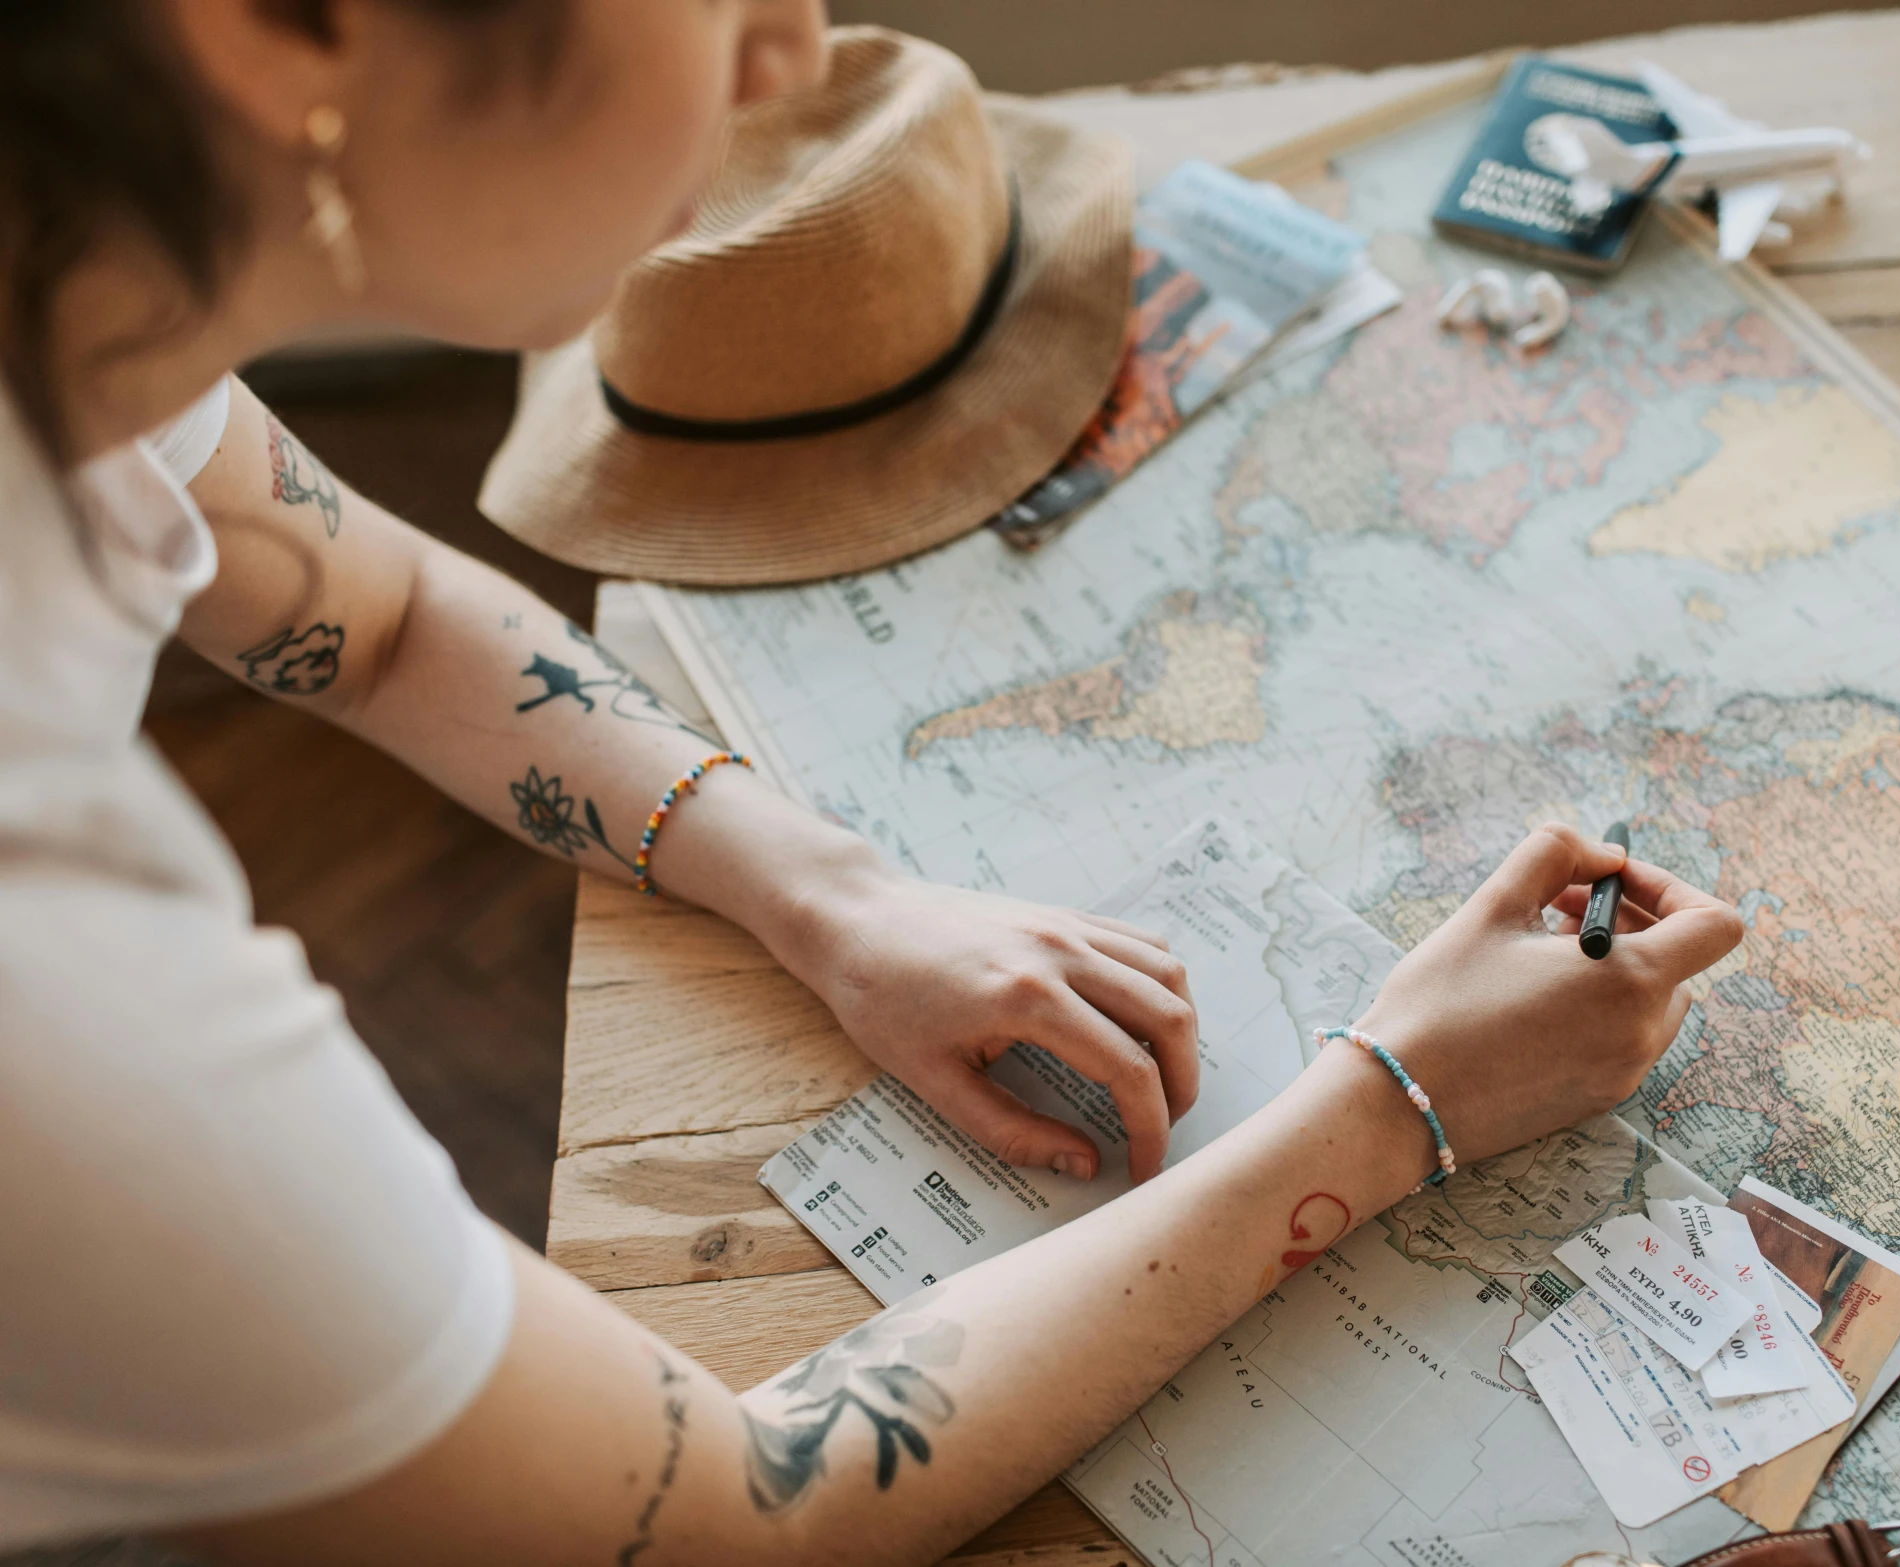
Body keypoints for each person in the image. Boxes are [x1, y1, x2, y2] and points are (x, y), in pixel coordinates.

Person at [0, 3, 1746, 1563]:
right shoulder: (60, 1005)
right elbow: (730, 1515)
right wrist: (1395, 1104)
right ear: (274, 27)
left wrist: (830, 892)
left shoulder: (80, 290)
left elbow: (375, 621)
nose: (789, 45)